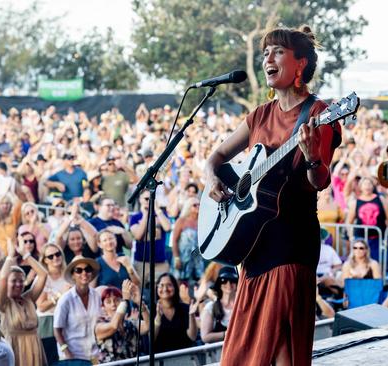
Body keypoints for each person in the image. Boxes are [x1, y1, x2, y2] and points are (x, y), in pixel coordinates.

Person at [205, 26, 340, 366]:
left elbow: (319, 181)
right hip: (254, 244)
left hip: (290, 241)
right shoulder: (259, 116)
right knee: (244, 351)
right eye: (265, 52)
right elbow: (215, 158)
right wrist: (211, 180)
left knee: (280, 344)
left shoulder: (318, 114)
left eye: (277, 51)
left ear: (300, 64)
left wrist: (311, 157)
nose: (268, 57)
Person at [0, 239, 48, 366]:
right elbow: (2, 277)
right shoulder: (2, 303)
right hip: (15, 349)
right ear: (6, 283)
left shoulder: (28, 299)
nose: (18, 284)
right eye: (14, 280)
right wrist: (10, 256)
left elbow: (43, 275)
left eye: (21, 281)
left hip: (35, 349)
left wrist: (26, 255)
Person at [53, 255, 102, 365]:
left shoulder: (96, 296)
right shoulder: (65, 299)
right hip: (72, 356)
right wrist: (68, 354)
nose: (84, 273)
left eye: (87, 269)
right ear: (73, 275)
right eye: (78, 270)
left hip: (94, 355)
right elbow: (57, 330)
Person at [95, 281, 149, 363]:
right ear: (103, 307)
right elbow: (113, 326)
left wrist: (139, 302)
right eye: (108, 302)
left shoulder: (129, 324)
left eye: (117, 300)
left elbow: (148, 326)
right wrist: (125, 300)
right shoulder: (98, 325)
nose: (113, 304)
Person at [36, 244, 71, 365]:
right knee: (52, 360)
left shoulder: (69, 275)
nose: (55, 257)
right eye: (50, 256)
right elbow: (41, 306)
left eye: (57, 254)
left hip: (68, 320)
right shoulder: (43, 278)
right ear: (45, 260)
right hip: (47, 322)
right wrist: (60, 294)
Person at [129, 189, 172, 285]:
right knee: (140, 291)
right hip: (142, 262)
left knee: (160, 290)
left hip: (160, 261)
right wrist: (145, 215)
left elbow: (168, 227)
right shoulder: (135, 217)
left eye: (151, 198)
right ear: (140, 199)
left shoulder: (161, 214)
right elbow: (138, 236)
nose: (149, 201)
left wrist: (157, 210)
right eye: (146, 198)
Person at [153, 273, 198, 353]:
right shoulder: (151, 310)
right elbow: (150, 340)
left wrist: (191, 315)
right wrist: (158, 319)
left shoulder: (185, 308)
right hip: (160, 359)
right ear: (157, 288)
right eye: (161, 285)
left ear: (175, 288)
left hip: (184, 356)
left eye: (169, 285)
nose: (165, 289)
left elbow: (192, 337)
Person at [200, 267, 238, 343]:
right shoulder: (211, 307)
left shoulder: (242, 306)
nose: (228, 284)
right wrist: (227, 334)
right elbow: (205, 337)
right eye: (224, 280)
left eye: (233, 281)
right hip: (218, 353)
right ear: (219, 284)